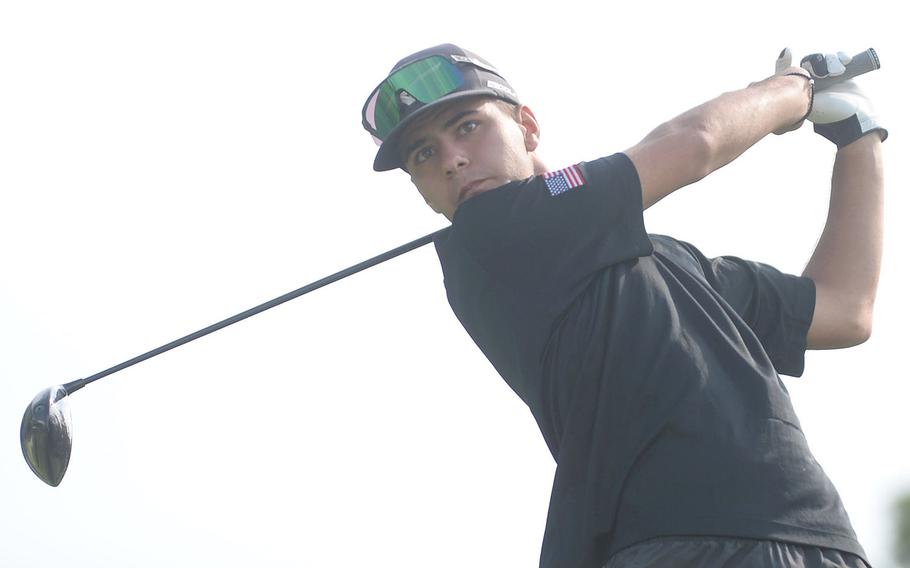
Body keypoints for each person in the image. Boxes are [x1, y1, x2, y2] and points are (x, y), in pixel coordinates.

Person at [361, 44, 886, 567]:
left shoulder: (667, 261)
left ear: (527, 125)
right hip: (674, 546)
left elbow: (844, 310)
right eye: (423, 154)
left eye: (467, 127)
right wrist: (795, 89)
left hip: (818, 540)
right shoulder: (492, 238)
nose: (451, 159)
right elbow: (692, 144)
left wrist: (858, 136)